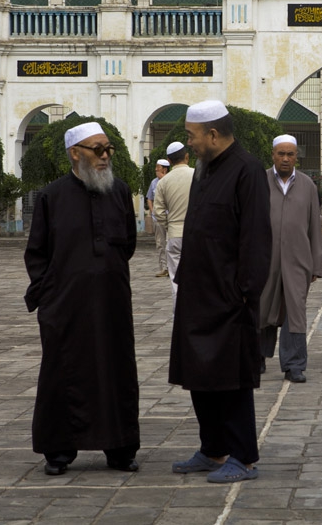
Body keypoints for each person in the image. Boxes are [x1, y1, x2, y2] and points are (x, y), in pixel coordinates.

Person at [24, 122, 140, 476]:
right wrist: (51, 295)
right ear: (75, 153)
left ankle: (120, 449)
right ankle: (58, 452)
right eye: (97, 150)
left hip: (112, 302)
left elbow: (128, 244)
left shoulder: (119, 192)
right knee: (64, 372)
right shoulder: (51, 196)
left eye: (109, 150)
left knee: (115, 371)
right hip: (65, 305)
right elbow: (37, 254)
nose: (105, 156)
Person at [169, 100, 272, 484]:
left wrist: (246, 292)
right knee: (200, 376)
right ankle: (212, 449)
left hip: (230, 299)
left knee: (232, 380)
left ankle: (243, 457)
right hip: (198, 293)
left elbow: (256, 239)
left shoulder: (246, 171)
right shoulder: (204, 170)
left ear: (213, 134)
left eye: (192, 136)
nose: (188, 143)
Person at [259, 135, 322, 383]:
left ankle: (294, 364)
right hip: (265, 259)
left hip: (298, 260)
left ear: (297, 156)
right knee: (261, 307)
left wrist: (316, 264)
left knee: (295, 311)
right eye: (281, 154)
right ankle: (257, 358)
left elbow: (313, 228)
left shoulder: (308, 185)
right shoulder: (259, 181)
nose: (285, 158)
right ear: (273, 154)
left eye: (290, 154)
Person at [153, 141, 195, 299]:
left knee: (176, 282)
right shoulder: (197, 175)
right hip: (195, 234)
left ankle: (179, 317)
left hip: (175, 235)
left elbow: (158, 211)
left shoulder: (163, 182)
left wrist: (169, 226)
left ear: (169, 161)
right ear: (187, 156)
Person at [147, 159, 170, 277]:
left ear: (165, 169)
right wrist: (153, 211)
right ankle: (163, 268)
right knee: (160, 244)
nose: (156, 169)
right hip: (158, 219)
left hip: (171, 218)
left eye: (158, 167)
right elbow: (149, 198)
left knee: (171, 243)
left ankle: (172, 268)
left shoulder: (171, 180)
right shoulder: (154, 183)